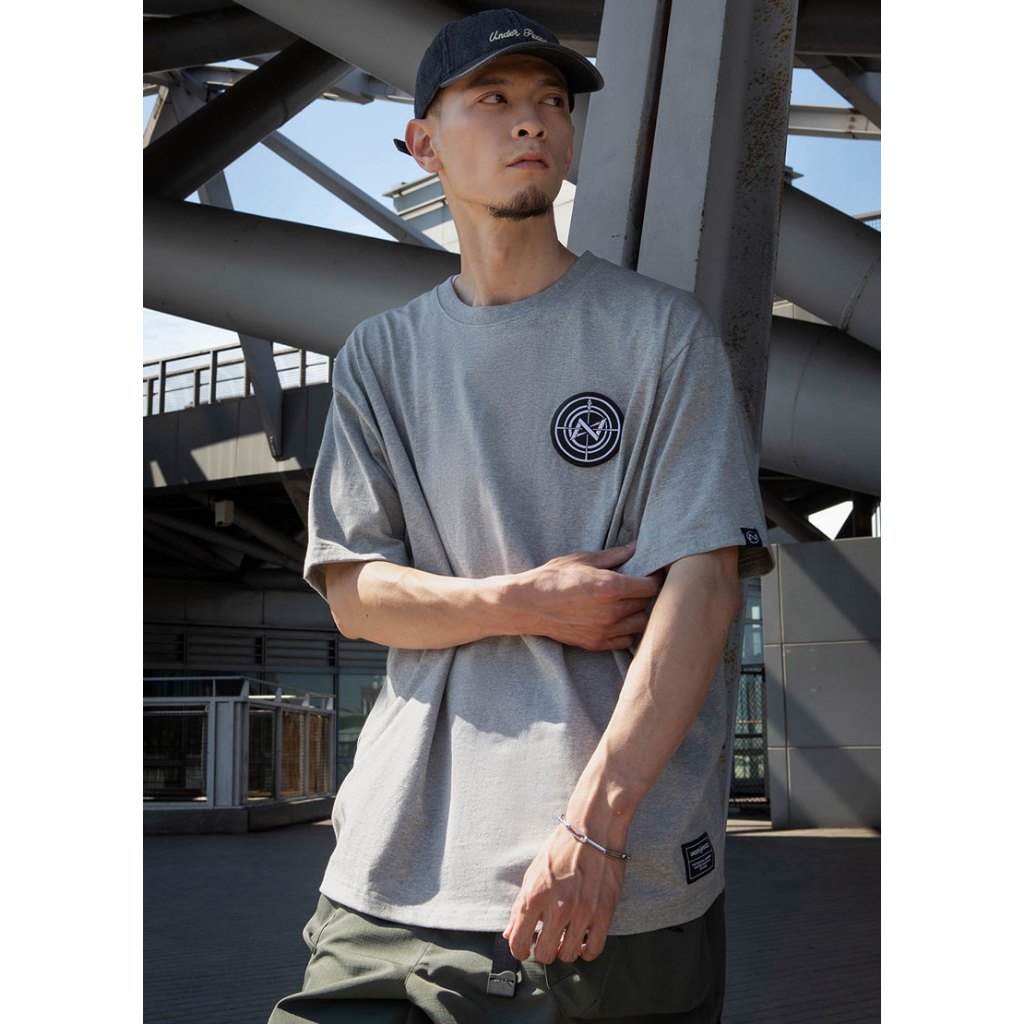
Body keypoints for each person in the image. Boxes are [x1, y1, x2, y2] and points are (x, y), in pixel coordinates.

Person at [269, 8, 774, 1023]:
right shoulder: (380, 356)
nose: (531, 120)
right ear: (423, 142)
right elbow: (357, 597)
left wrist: (595, 830)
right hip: (386, 877)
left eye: (550, 101)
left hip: (600, 889)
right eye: (493, 99)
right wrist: (525, 601)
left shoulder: (659, 335)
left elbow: (706, 588)